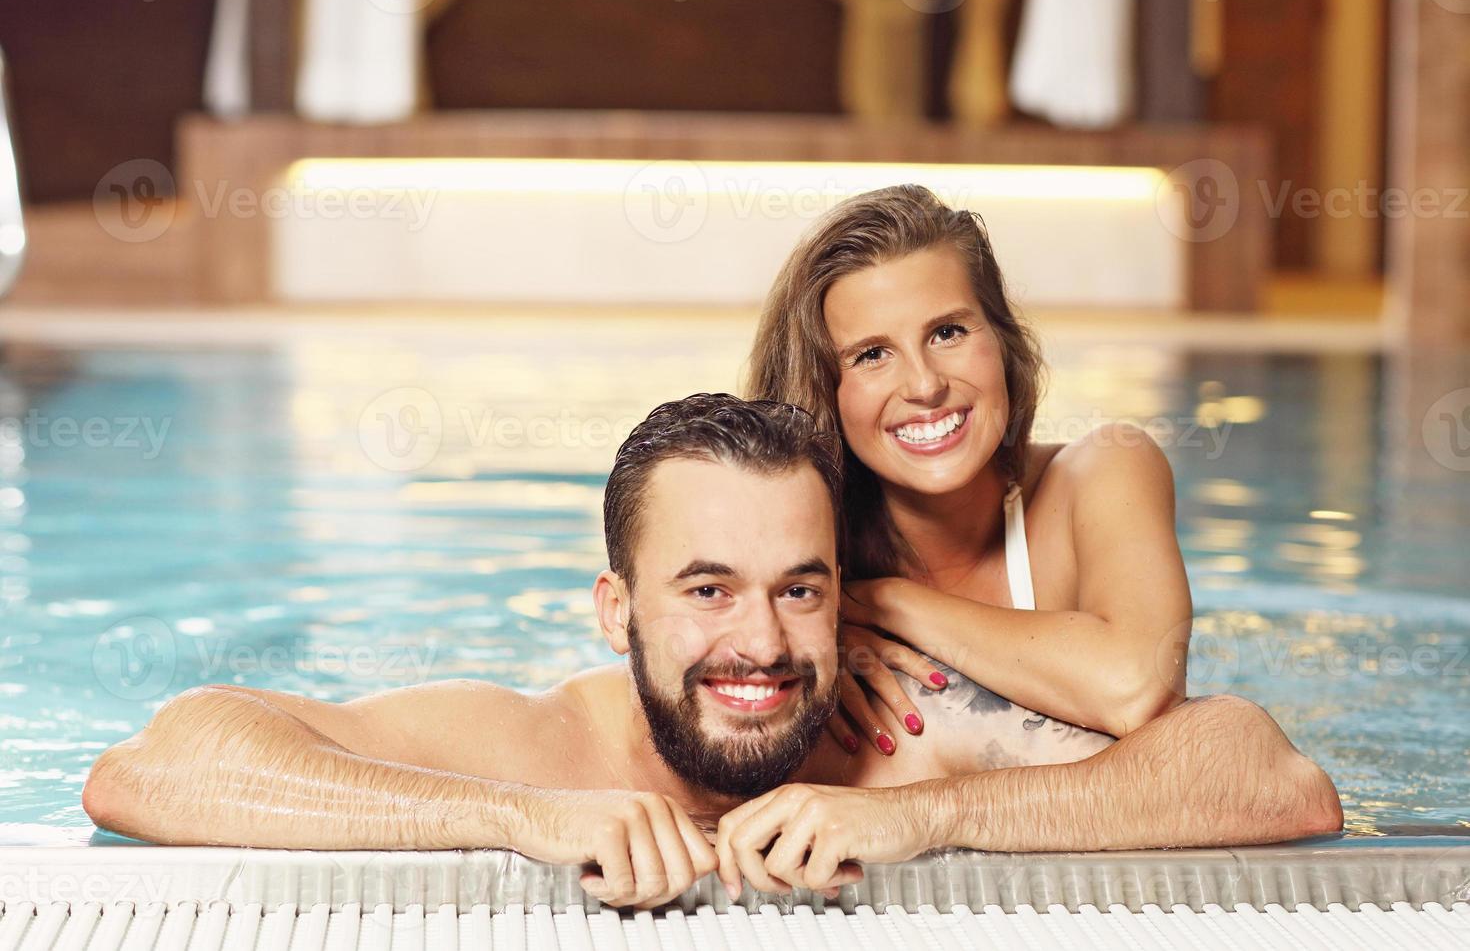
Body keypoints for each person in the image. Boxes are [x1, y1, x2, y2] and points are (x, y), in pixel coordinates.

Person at [82, 395, 1342, 912]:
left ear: (849, 599)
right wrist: (521, 819)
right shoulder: (544, 749)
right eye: (705, 590)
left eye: (800, 589)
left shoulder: (902, 736)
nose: (761, 645)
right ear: (615, 609)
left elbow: (1266, 774)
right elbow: (159, 762)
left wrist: (942, 819)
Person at [747, 183, 1202, 756]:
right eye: (871, 355)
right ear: (822, 392)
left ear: (1001, 341)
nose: (925, 385)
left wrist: (889, 603)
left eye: (948, 332)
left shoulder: (1104, 471)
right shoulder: (789, 538)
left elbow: (1140, 688)